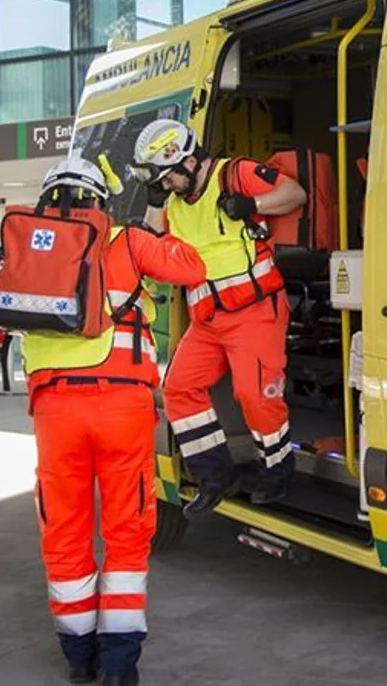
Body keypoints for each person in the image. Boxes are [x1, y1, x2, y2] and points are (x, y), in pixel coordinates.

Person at [0, 157, 205, 686]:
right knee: (126, 530)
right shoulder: (125, 242)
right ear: (100, 201)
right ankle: (119, 665)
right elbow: (192, 269)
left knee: (65, 531)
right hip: (123, 409)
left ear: (47, 201)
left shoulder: (21, 251)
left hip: (54, 413)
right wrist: (151, 226)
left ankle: (78, 657)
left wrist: (1, 252)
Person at [130, 119, 305, 516]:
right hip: (208, 319)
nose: (168, 187)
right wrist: (155, 202)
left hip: (255, 312)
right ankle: (215, 474)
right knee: (177, 389)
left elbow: (295, 193)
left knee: (255, 394)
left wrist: (253, 205)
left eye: (167, 180)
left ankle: (277, 470)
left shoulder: (235, 174)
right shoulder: (174, 204)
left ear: (187, 161)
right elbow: (151, 248)